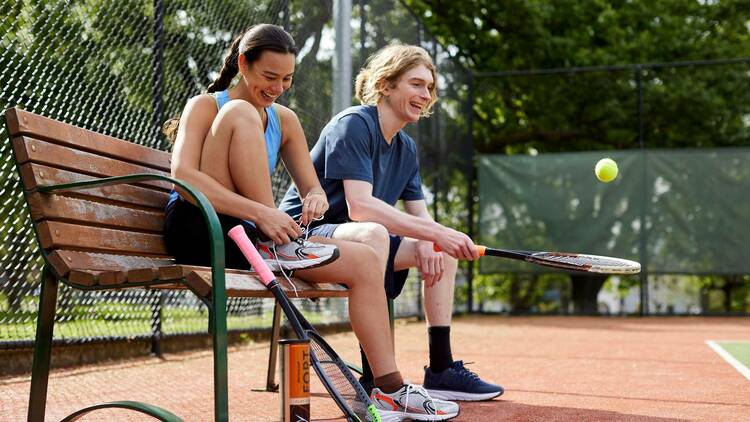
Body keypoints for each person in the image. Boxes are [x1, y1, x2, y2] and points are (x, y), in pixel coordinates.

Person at [163, 25, 459, 420]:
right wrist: (262, 214)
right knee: (240, 111)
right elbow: (184, 179)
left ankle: (388, 389)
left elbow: (311, 187)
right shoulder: (208, 105)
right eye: (269, 77)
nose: (278, 87)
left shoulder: (285, 120)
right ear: (243, 65)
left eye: (286, 79)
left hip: (260, 235)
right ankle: (270, 242)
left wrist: (315, 198)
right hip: (203, 228)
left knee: (367, 261)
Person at [279, 43, 504, 402]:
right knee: (376, 232)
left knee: (442, 252)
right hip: (301, 239)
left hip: (357, 242)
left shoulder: (406, 148)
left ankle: (442, 369)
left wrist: (436, 240)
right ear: (386, 84)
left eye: (429, 88)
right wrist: (435, 233)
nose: (425, 95)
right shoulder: (353, 124)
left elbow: (420, 215)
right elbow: (360, 207)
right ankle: (375, 381)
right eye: (416, 84)